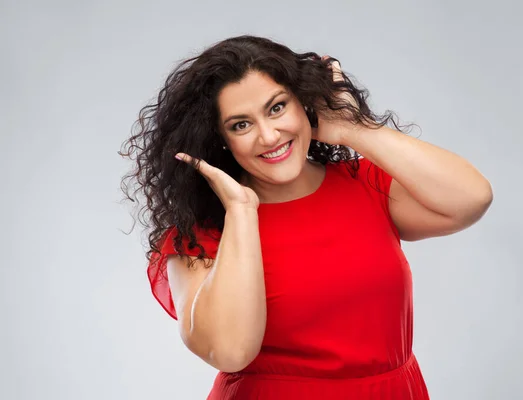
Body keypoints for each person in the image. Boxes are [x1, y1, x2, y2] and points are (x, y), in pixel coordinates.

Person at [119, 35, 493, 399]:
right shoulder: (200, 236)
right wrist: (242, 213)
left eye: (277, 107)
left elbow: (471, 199)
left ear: (304, 102)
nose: (268, 135)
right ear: (218, 138)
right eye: (241, 124)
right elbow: (230, 352)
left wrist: (352, 128)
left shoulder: (364, 184)